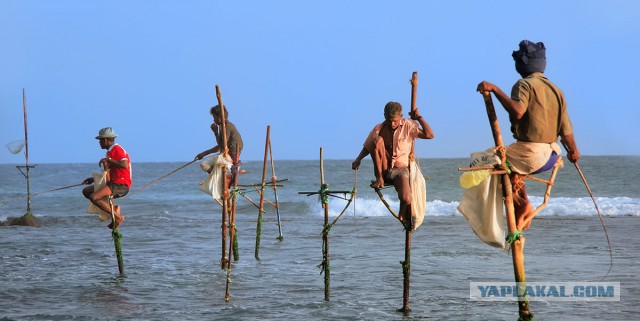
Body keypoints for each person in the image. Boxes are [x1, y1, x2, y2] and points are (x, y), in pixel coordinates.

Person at [476, 40, 580, 231]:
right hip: (552, 155)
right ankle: (521, 204)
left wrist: (495, 89)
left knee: (483, 160)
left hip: (532, 154)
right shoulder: (556, 90)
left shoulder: (524, 85)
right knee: (509, 163)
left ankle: (520, 203)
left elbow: (517, 112)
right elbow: (566, 131)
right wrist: (573, 151)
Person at [352, 101, 434, 228]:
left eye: (395, 120)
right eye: (389, 120)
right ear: (384, 116)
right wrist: (358, 159)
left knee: (407, 198)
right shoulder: (378, 128)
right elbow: (368, 147)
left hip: (400, 170)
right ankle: (380, 179)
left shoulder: (408, 125)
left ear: (401, 116)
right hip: (383, 170)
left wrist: (418, 117)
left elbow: (429, 135)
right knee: (377, 140)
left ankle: (402, 213)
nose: (392, 123)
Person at [82, 127, 132, 229]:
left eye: (100, 140)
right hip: (112, 183)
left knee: (94, 197)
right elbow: (107, 173)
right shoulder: (109, 152)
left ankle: (117, 217)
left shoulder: (117, 149)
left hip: (120, 184)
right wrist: (92, 180)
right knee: (86, 191)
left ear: (105, 140)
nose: (99, 143)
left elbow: (124, 164)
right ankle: (113, 210)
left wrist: (108, 160)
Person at [195, 104, 243, 186]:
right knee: (204, 164)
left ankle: (219, 179)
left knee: (205, 164)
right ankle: (220, 179)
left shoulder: (227, 127)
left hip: (230, 157)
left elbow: (222, 146)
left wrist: (215, 133)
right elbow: (221, 146)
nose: (213, 120)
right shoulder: (222, 126)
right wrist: (204, 154)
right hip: (225, 155)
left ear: (219, 117)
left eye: (214, 117)